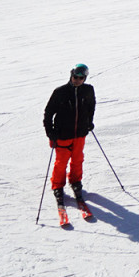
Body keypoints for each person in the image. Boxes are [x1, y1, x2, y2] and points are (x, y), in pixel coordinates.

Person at [43, 64, 95, 208]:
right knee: (61, 162)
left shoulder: (88, 90)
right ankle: (58, 186)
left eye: (81, 78)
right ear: (71, 76)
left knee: (78, 159)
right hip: (62, 134)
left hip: (80, 133)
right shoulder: (60, 92)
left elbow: (91, 107)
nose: (77, 80)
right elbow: (48, 113)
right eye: (75, 77)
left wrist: (89, 122)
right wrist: (50, 132)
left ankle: (75, 181)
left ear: (85, 78)